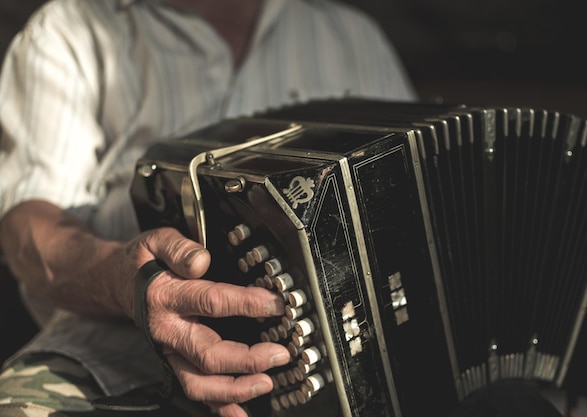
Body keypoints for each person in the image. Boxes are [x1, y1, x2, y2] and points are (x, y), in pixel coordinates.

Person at [0, 0, 416, 416]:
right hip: (120, 352)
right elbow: (26, 223)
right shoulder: (70, 29)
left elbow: (409, 209)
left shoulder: (353, 37)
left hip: (343, 360)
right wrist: (127, 280)